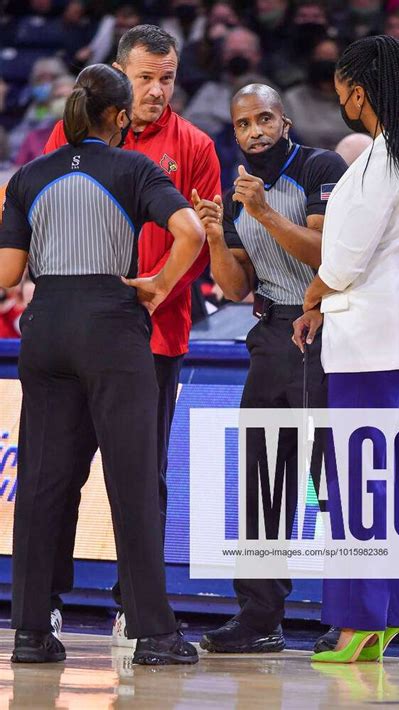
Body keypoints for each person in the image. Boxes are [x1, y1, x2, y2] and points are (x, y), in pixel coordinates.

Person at [0, 63, 205, 665]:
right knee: (133, 477)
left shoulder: (28, 174)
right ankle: (153, 633)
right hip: (112, 324)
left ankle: (31, 631)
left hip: (46, 326)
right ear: (119, 117)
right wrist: (159, 285)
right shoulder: (134, 167)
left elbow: (9, 276)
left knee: (42, 482)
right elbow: (189, 231)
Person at [42, 24, 221, 646]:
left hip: (155, 339)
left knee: (142, 478)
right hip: (84, 331)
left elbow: (201, 246)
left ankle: (134, 607)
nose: (156, 91)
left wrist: (157, 289)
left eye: (167, 78)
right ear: (120, 74)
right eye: (144, 78)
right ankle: (48, 602)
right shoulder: (72, 134)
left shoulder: (195, 144)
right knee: (63, 473)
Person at [293, 35, 399, 662]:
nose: (338, 99)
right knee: (379, 478)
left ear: (359, 90)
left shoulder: (381, 163)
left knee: (358, 482)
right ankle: (389, 614)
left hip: (367, 343)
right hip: (393, 336)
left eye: (340, 89)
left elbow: (344, 259)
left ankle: (358, 623)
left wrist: (311, 299)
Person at [192, 82, 347, 653]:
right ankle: (260, 618)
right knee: (262, 482)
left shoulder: (319, 165)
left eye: (263, 119)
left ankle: (346, 615)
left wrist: (261, 210)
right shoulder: (240, 192)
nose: (253, 131)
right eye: (242, 124)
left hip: (323, 333)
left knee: (328, 481)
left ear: (284, 121)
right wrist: (215, 234)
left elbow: (326, 256)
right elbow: (235, 287)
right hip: (269, 335)